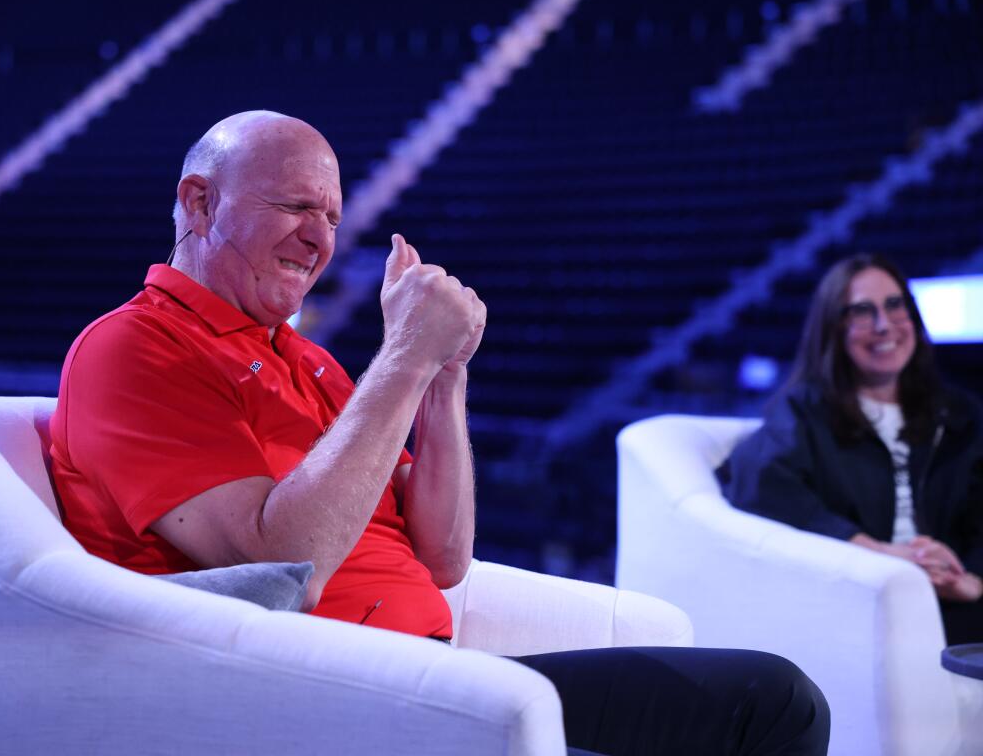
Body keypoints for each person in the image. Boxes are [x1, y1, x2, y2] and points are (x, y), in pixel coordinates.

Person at [50, 110, 829, 754]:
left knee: (774, 698)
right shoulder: (136, 347)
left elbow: (444, 555)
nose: (319, 238)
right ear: (199, 202)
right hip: (317, 695)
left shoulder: (310, 362)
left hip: (430, 676)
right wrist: (402, 356)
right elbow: (282, 566)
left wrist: (443, 373)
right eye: (294, 207)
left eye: (330, 216)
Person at [723, 253, 983, 645]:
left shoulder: (958, 414)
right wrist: (874, 550)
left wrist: (974, 581)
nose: (884, 325)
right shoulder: (805, 410)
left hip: (958, 596)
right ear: (833, 329)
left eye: (896, 306)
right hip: (859, 600)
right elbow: (758, 482)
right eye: (862, 311)